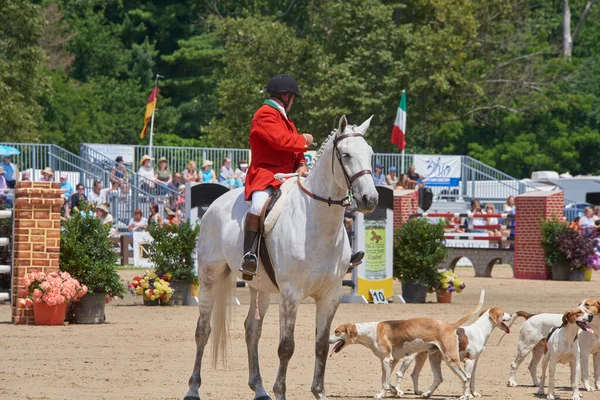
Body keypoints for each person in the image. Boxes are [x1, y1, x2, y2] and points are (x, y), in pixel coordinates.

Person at [240, 74, 314, 279]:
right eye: (292, 98)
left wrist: (301, 163)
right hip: (266, 175)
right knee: (258, 206)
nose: (293, 103)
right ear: (286, 96)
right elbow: (280, 141)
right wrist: (303, 139)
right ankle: (249, 255)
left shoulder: (286, 119)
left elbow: (295, 150)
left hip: (289, 176)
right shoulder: (264, 114)